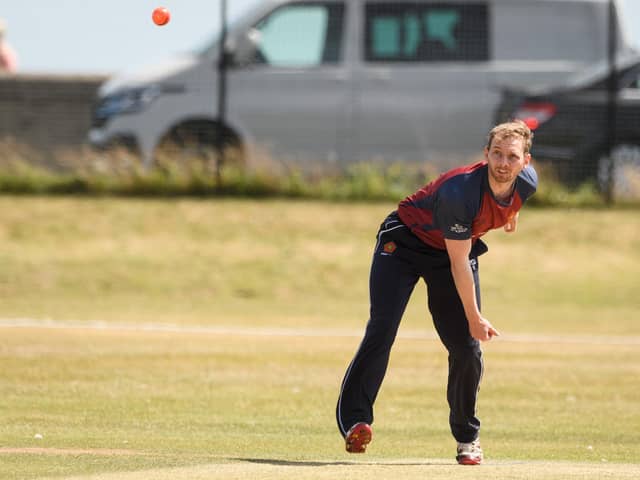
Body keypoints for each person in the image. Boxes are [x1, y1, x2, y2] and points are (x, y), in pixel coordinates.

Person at [336, 120, 537, 465]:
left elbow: (509, 204)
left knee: (466, 349)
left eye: (512, 157)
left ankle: (467, 438)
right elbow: (460, 263)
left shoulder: (526, 184)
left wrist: (510, 215)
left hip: (451, 252)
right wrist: (474, 317)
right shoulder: (460, 193)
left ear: (526, 161)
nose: (504, 164)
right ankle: (355, 421)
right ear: (485, 154)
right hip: (404, 243)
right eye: (497, 155)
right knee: (382, 328)